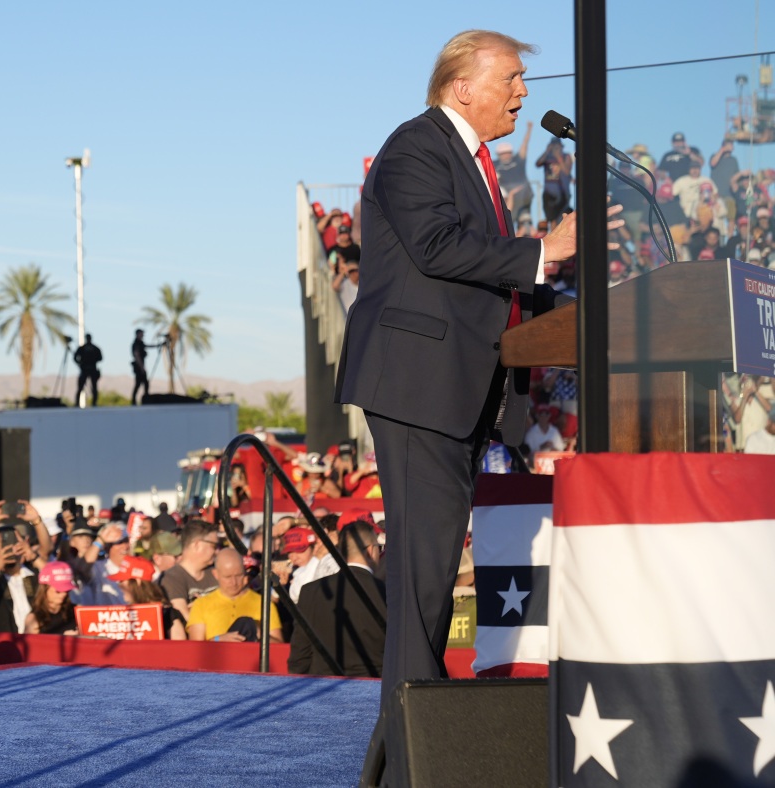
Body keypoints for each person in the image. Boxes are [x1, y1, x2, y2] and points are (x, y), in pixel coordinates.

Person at [333, 29, 620, 784]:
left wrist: (558, 278)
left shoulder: (472, 160)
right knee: (423, 584)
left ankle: (396, 767)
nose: (524, 93)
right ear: (464, 85)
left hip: (453, 390)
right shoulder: (416, 146)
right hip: (415, 386)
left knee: (426, 586)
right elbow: (434, 246)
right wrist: (539, 253)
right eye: (514, 78)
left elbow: (474, 273)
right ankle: (408, 767)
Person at [288, 519, 387, 678]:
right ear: (370, 550)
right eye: (379, 548)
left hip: (323, 689)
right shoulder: (387, 594)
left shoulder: (310, 592)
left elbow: (299, 658)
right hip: (374, 690)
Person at [186, 548, 283, 643]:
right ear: (215, 574)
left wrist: (258, 632)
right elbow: (195, 650)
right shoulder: (201, 605)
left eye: (238, 575)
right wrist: (217, 640)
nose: (233, 582)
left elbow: (279, 649)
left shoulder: (264, 604)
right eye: (227, 577)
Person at [157, 520, 220, 618]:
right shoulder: (171, 578)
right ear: (197, 545)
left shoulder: (217, 572)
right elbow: (186, 619)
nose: (217, 551)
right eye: (214, 546)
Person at [25, 561, 78, 635]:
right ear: (45, 588)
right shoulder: (35, 619)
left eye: (67, 590)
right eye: (58, 591)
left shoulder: (75, 611)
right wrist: (63, 639)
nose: (63, 594)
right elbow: (31, 645)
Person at [73, 334, 103, 407]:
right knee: (81, 387)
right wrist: (80, 364)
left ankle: (94, 402)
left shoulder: (94, 348)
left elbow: (100, 358)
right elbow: (75, 357)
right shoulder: (83, 348)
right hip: (85, 369)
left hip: (92, 369)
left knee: (94, 387)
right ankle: (78, 403)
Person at [131, 329, 150, 405]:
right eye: (142, 333)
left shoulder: (141, 343)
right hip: (139, 367)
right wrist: (142, 368)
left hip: (140, 366)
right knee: (139, 384)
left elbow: (147, 346)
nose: (143, 335)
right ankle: (136, 401)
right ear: (138, 334)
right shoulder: (136, 344)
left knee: (144, 384)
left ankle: (145, 399)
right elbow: (137, 355)